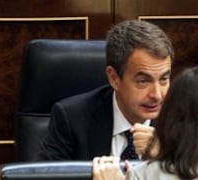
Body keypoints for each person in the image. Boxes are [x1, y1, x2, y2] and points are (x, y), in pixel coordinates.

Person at [38, 19, 173, 160]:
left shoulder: (183, 122)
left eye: (164, 79)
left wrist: (163, 157)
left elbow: (193, 177)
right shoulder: (72, 119)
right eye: (143, 81)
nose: (157, 95)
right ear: (114, 78)